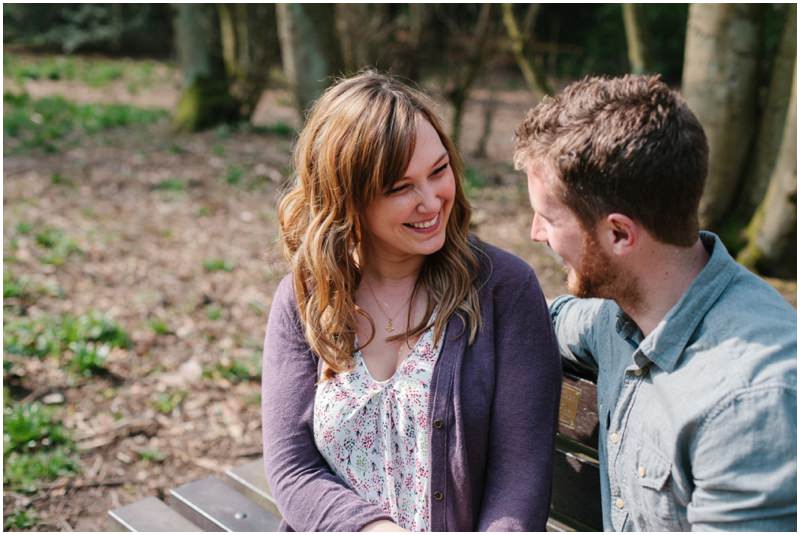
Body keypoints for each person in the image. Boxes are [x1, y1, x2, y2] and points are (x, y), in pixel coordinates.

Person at [261, 71, 561, 532]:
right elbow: (292, 468)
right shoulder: (307, 296)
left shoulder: (503, 289)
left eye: (439, 171)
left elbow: (519, 481)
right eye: (401, 188)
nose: (432, 201)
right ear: (347, 200)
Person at [514, 74, 797, 531]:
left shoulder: (752, 401)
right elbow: (544, 319)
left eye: (547, 217)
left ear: (620, 234)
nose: (535, 233)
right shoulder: (620, 314)